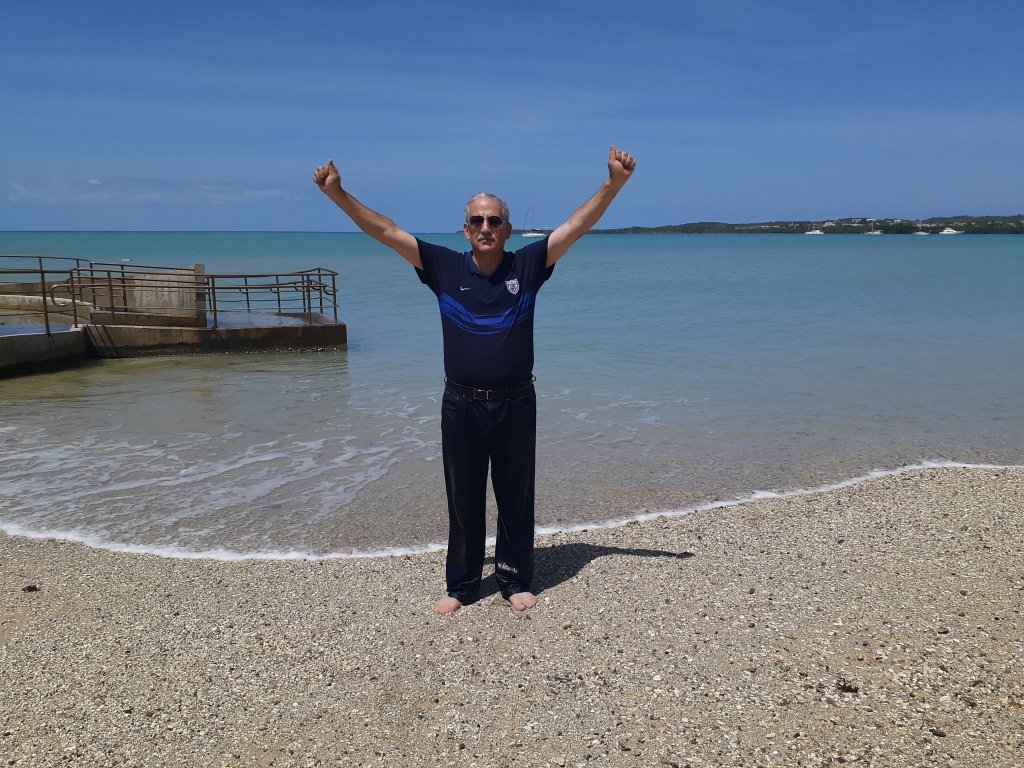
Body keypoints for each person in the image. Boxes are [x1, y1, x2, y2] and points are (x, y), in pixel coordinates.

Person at [313, 146, 636, 614]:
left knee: (515, 495)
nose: (486, 227)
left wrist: (613, 184)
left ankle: (514, 578)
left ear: (507, 228)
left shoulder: (527, 266)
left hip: (516, 402)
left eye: (494, 220)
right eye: (477, 221)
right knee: (463, 496)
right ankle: (462, 584)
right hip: (461, 403)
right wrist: (337, 194)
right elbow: (385, 231)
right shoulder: (444, 267)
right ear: (466, 229)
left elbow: (575, 226)